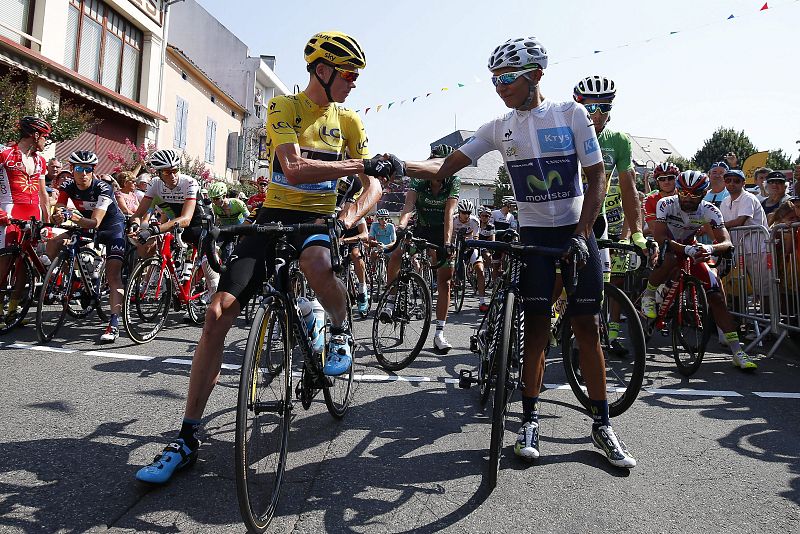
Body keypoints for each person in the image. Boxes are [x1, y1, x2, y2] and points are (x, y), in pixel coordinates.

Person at [134, 31, 392, 485]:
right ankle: (186, 437)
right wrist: (359, 166)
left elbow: (375, 184)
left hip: (318, 218)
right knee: (217, 313)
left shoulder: (350, 121)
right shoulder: (284, 108)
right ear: (323, 70)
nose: (354, 82)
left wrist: (349, 214)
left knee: (317, 266)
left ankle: (338, 327)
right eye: (349, 74)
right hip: (273, 215)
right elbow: (293, 167)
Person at [383, 37, 635, 468]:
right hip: (534, 236)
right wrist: (398, 164)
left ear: (535, 75)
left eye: (508, 78)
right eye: (495, 79)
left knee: (587, 328)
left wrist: (582, 233)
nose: (500, 86)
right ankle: (529, 418)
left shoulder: (571, 114)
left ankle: (602, 422)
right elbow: (444, 167)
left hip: (576, 233)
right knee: (535, 330)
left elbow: (596, 177)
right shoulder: (498, 127)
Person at [642, 170, 757, 371]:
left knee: (716, 296)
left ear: (704, 193)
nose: (687, 198)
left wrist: (710, 248)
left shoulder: (709, 209)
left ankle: (737, 351)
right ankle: (649, 294)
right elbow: (660, 236)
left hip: (692, 246)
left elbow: (726, 241)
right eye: (683, 192)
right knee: (670, 258)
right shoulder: (666, 203)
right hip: (671, 245)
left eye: (694, 194)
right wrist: (684, 249)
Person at [381, 144, 459, 352]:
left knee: (446, 281)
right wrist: (401, 227)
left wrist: (447, 243)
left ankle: (439, 333)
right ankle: (390, 300)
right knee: (397, 254)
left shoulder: (454, 181)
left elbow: (449, 213)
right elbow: (408, 206)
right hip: (422, 227)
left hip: (442, 231)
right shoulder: (419, 178)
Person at [48, 151, 127, 343]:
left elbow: (95, 222)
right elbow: (58, 210)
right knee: (53, 243)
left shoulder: (103, 188)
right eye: (79, 169)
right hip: (85, 223)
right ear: (72, 169)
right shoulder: (67, 185)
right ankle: (75, 279)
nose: (83, 173)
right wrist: (57, 215)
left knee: (113, 275)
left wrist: (71, 216)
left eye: (88, 169)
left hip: (111, 227)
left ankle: (114, 323)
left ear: (93, 171)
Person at [572, 75, 647, 260]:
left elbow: (628, 189)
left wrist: (637, 234)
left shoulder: (618, 140)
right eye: (590, 108)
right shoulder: (564, 134)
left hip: (597, 217)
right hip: (566, 217)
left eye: (604, 107)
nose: (598, 115)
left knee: (600, 278)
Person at [0, 116, 51, 326]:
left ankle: (13, 311)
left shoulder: (40, 160)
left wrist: (47, 222)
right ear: (35, 135)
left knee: (25, 264)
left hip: (32, 214)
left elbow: (43, 194)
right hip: (9, 211)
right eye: (45, 136)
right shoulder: (4, 154)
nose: (46, 141)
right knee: (4, 265)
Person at [719, 168, 770, 315]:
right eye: (728, 180)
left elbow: (740, 221)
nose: (731, 183)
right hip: (738, 250)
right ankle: (741, 320)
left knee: (763, 287)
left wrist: (717, 227)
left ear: (743, 183)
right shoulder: (725, 201)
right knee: (737, 286)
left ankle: (768, 320)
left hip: (756, 248)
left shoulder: (748, 197)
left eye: (736, 181)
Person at [452, 199, 489, 310]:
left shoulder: (474, 221)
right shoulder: (453, 220)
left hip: (470, 246)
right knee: (450, 267)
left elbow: (476, 237)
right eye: (464, 213)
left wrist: (473, 247)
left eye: (468, 213)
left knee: (480, 271)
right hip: (457, 246)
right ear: (459, 212)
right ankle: (452, 285)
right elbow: (451, 237)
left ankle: (482, 302)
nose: (466, 215)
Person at [643, 162, 680, 234]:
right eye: (662, 179)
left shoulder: (685, 197)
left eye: (670, 178)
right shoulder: (650, 200)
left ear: (676, 179)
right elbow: (654, 229)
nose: (666, 182)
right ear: (657, 182)